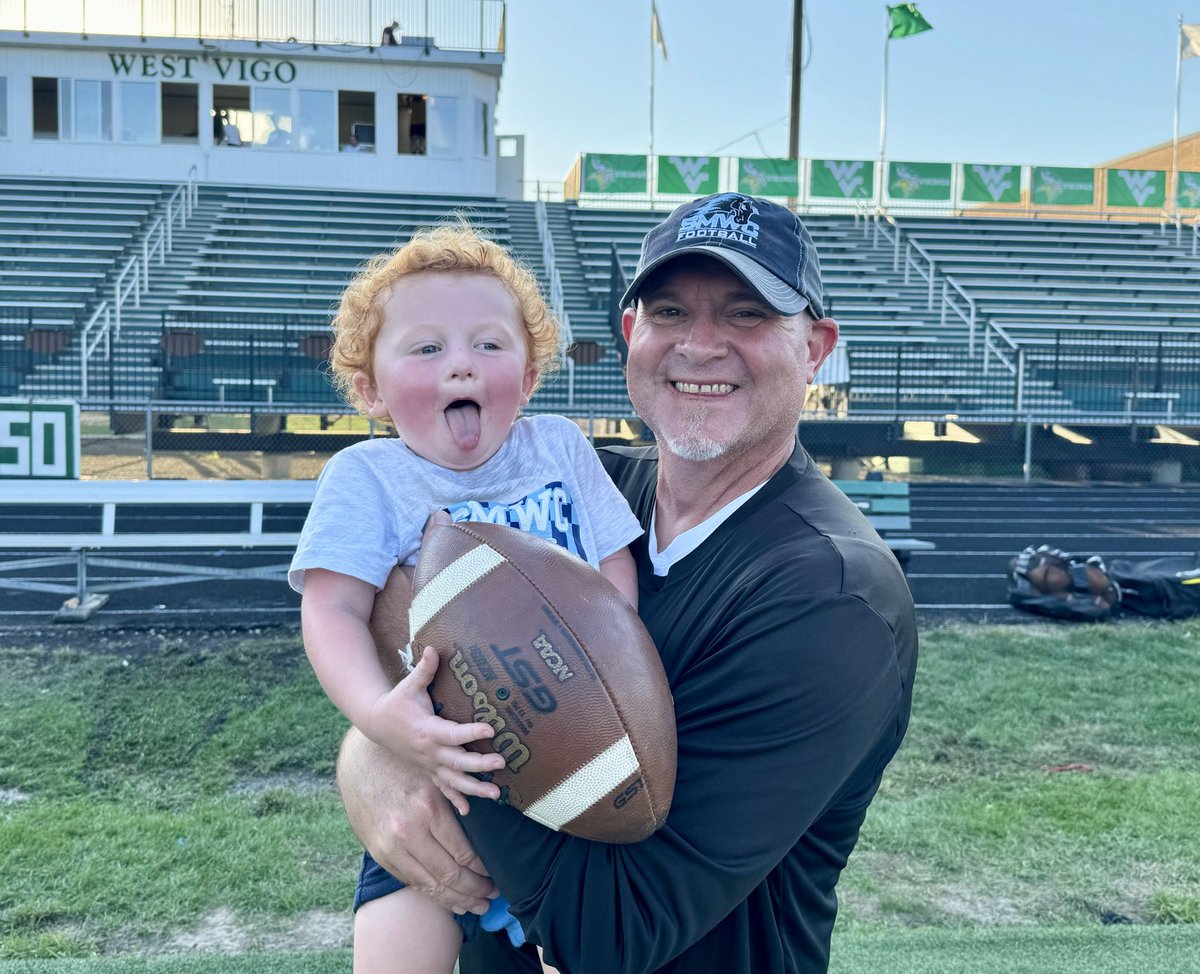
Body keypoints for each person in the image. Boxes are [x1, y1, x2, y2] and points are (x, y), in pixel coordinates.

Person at [337, 192, 919, 974]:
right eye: (670, 312)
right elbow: (380, 618)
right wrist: (371, 752)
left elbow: (611, 932)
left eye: (747, 314)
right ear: (630, 334)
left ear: (815, 348)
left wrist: (433, 756)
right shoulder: (574, 492)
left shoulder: (833, 599)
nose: (700, 346)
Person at [289, 223, 643, 973]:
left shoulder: (560, 449)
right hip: (440, 775)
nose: (462, 364)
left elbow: (614, 562)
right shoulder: (368, 477)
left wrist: (615, 668)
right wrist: (381, 717)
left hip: (560, 762)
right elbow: (331, 609)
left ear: (530, 375)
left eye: (489, 344)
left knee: (579, 943)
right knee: (398, 938)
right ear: (370, 389)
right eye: (426, 348)